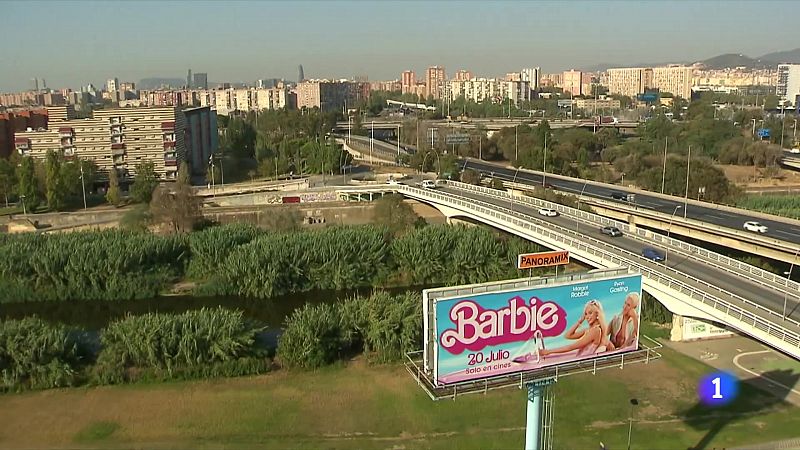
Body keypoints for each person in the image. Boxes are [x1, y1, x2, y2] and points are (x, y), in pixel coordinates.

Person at [539, 299, 615, 358]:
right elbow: (568, 336)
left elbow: (571, 347)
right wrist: (580, 321)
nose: (587, 317)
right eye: (585, 314)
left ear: (597, 314)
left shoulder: (595, 331)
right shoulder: (589, 330)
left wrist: (548, 352)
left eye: (590, 313)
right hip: (580, 357)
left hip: (582, 361)